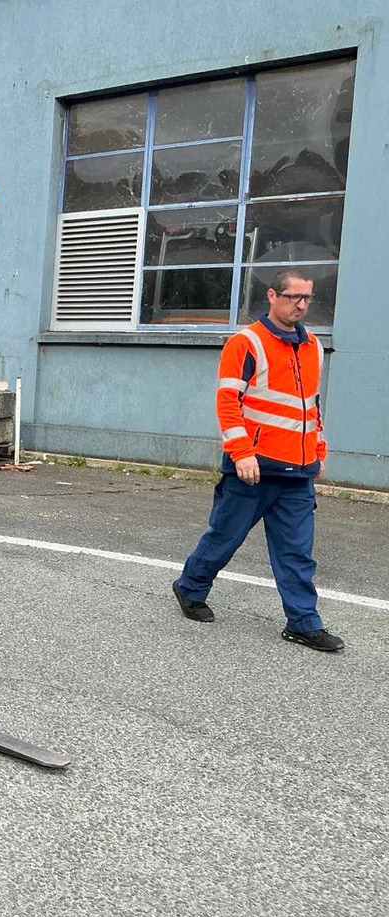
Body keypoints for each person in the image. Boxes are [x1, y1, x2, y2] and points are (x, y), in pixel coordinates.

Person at [172, 267, 343, 653]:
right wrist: (242, 452)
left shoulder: (312, 346)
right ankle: (190, 587)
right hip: (253, 468)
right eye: (293, 297)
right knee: (223, 539)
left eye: (307, 298)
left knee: (297, 553)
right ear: (272, 296)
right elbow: (227, 402)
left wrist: (319, 450)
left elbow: (310, 406)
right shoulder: (246, 343)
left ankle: (303, 623)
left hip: (298, 474)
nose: (301, 305)